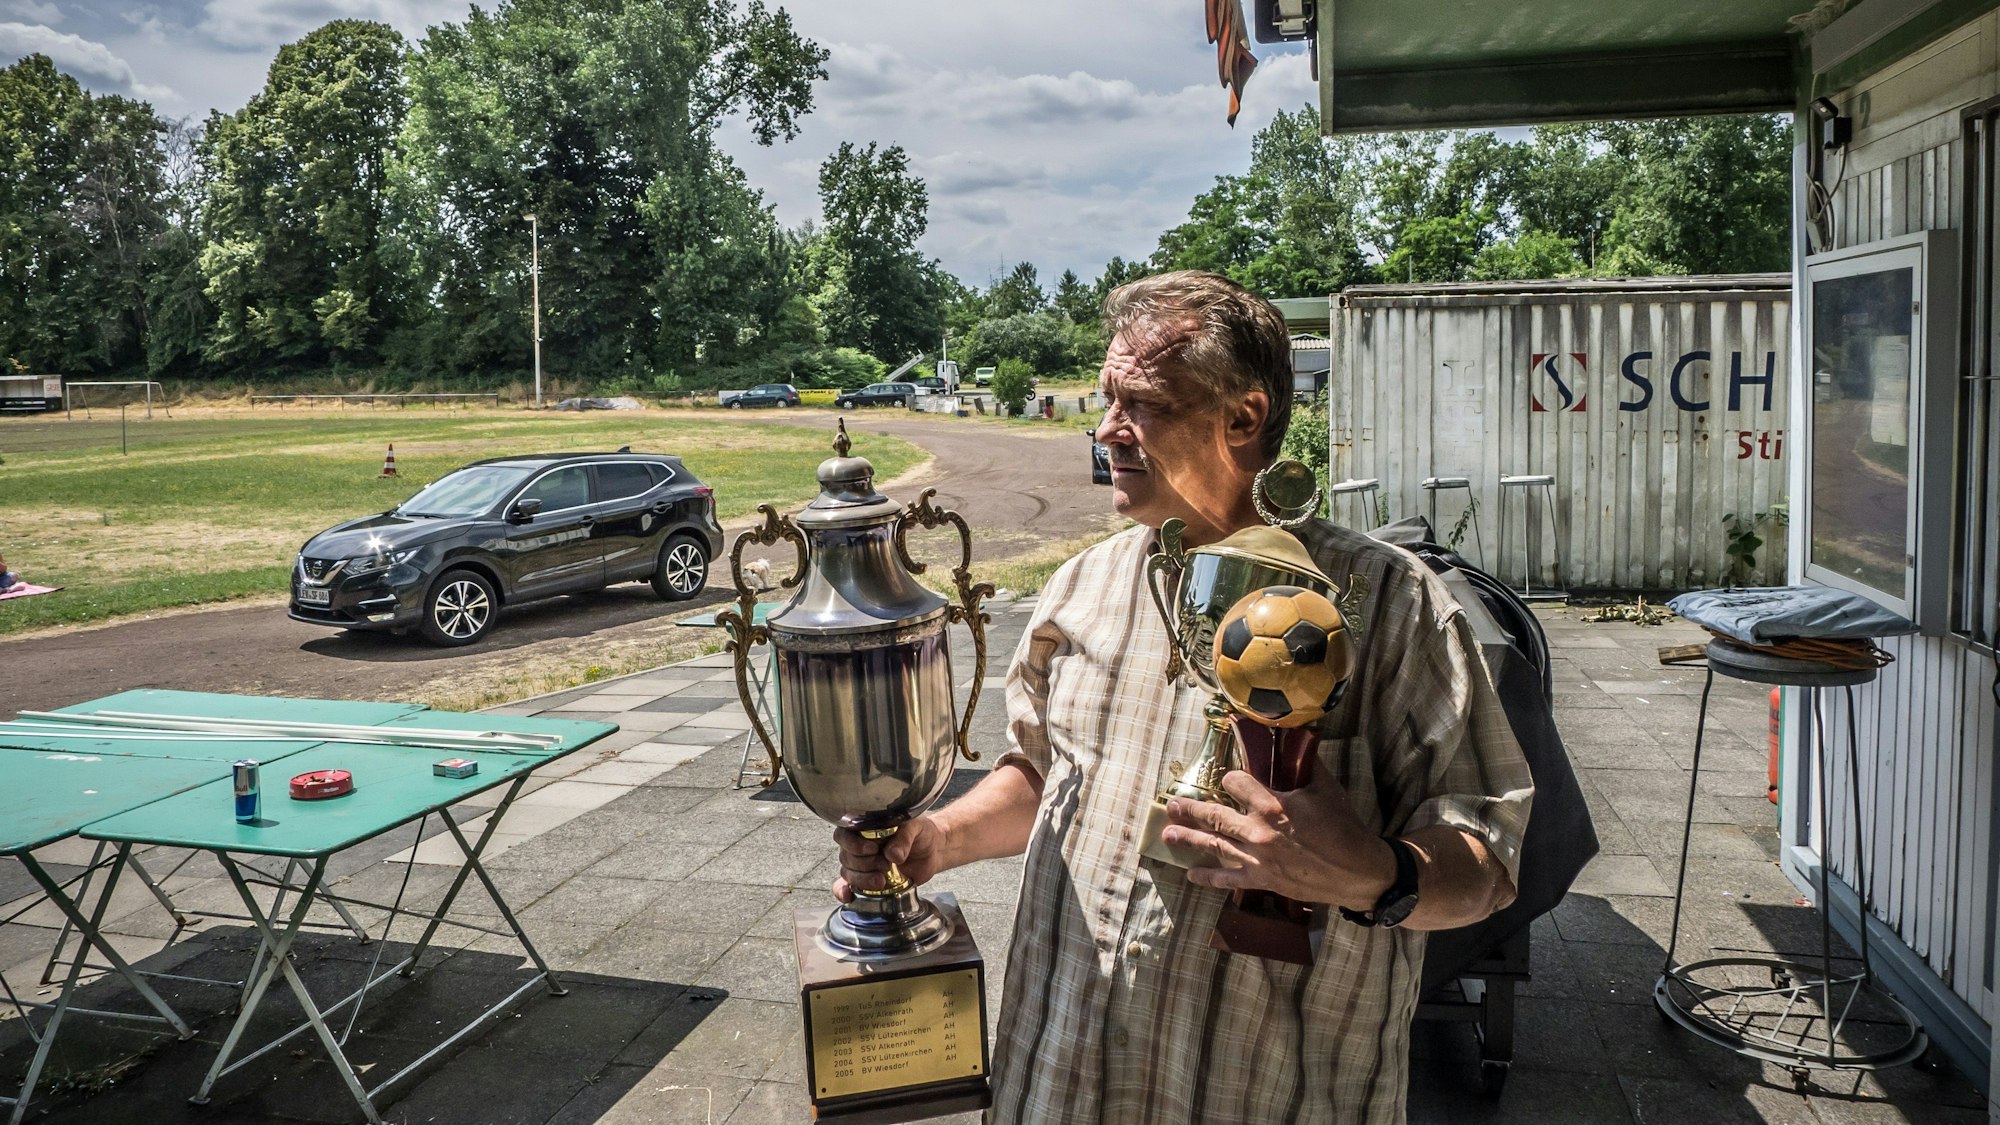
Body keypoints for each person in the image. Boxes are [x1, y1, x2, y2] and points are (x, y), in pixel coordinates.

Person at [835, 271, 1534, 1124]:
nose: (1105, 429)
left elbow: (1488, 863)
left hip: (1271, 1097)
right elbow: (1044, 771)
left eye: (1142, 403)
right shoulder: (1082, 586)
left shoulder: (1393, 606)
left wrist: (1375, 873)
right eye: (1106, 399)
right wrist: (938, 837)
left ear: (1242, 416)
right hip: (1056, 1078)